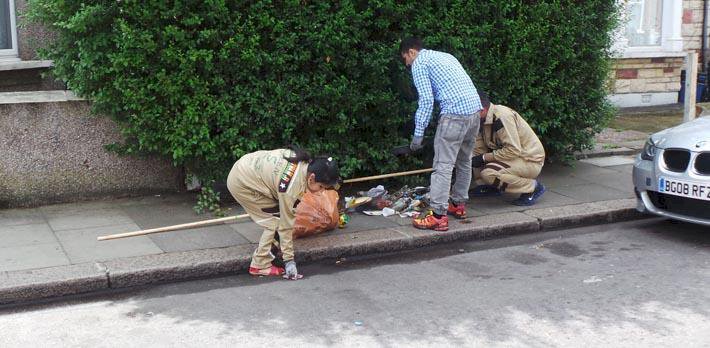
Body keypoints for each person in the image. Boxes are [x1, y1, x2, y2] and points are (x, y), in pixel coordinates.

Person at [399, 37, 482, 231]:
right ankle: (458, 205)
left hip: (454, 114)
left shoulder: (419, 63)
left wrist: (417, 136)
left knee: (443, 166)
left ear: (411, 52)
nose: (407, 65)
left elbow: (426, 100)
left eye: (406, 60)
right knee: (464, 160)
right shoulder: (446, 56)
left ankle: (437, 216)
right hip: (474, 112)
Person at [227, 148, 340, 279]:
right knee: (274, 221)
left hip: (246, 166)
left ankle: (270, 253)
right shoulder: (291, 187)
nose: (321, 192)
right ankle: (259, 265)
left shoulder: (300, 160)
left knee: (278, 217)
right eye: (321, 187)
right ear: (312, 178)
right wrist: (289, 261)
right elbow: (286, 226)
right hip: (242, 183)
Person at [471, 91, 546, 206]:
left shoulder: (502, 117)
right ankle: (490, 186)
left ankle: (532, 187)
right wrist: (473, 159)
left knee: (489, 173)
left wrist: (483, 158)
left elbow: (513, 150)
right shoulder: (484, 118)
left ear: (482, 109)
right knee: (474, 153)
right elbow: (479, 146)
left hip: (529, 160)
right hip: (514, 157)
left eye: (469, 109)